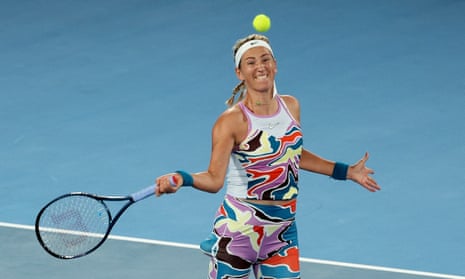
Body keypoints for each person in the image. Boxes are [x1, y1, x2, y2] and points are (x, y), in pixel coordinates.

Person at [155, 34, 380, 279]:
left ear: (275, 65)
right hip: (238, 233)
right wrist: (182, 178)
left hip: (282, 232)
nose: (260, 67)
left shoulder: (291, 106)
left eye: (265, 59)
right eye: (251, 62)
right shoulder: (231, 121)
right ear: (239, 73)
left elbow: (290, 153)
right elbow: (213, 179)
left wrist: (346, 171)